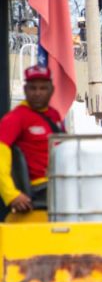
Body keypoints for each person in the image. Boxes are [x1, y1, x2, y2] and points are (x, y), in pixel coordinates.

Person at [0, 65, 65, 213]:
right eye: (33, 88)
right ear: (25, 90)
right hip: (40, 187)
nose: (37, 93)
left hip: (60, 182)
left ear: (52, 90)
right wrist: (11, 194)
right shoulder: (15, 118)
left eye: (43, 88)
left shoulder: (53, 115)